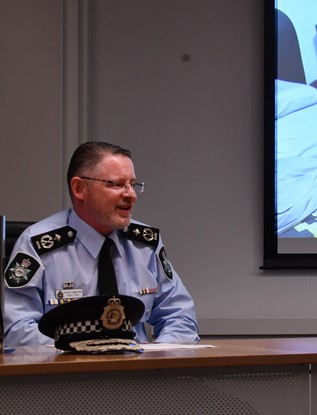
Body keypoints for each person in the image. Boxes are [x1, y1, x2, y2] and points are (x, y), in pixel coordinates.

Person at [3, 141, 199, 346]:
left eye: (132, 184)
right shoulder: (37, 245)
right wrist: (80, 355)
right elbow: (18, 330)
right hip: (66, 373)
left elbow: (181, 318)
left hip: (137, 372)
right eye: (116, 184)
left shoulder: (145, 245)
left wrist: (157, 357)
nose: (130, 194)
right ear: (79, 188)